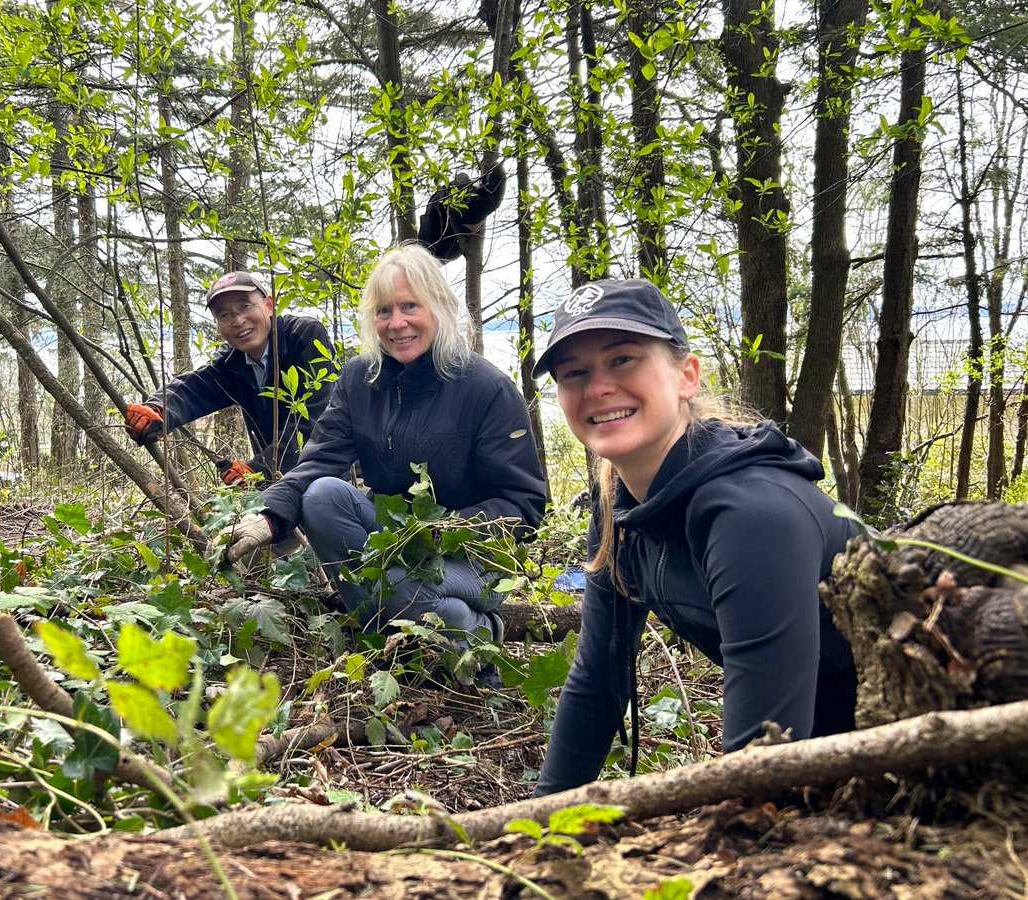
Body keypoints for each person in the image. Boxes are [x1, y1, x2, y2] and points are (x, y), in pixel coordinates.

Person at [532, 278, 857, 796]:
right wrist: (538, 825)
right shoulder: (618, 507)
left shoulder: (750, 513)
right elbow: (598, 681)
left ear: (687, 376)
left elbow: (763, 762)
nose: (597, 388)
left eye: (623, 359)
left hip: (925, 748)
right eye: (574, 372)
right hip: (831, 763)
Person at [215, 244, 547, 646]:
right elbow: (319, 460)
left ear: (439, 306)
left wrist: (441, 531)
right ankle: (381, 636)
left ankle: (479, 630)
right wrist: (270, 516)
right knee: (322, 496)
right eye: (384, 311)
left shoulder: (487, 388)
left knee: (402, 585)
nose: (396, 323)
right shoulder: (361, 379)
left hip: (475, 555)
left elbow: (523, 504)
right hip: (394, 537)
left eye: (410, 306)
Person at [121, 271, 337, 485]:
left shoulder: (303, 336)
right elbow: (196, 387)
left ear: (269, 305)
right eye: (224, 315)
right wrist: (158, 409)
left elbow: (315, 420)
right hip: (280, 483)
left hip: (331, 474)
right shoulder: (233, 361)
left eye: (245, 306)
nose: (238, 320)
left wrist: (258, 469)